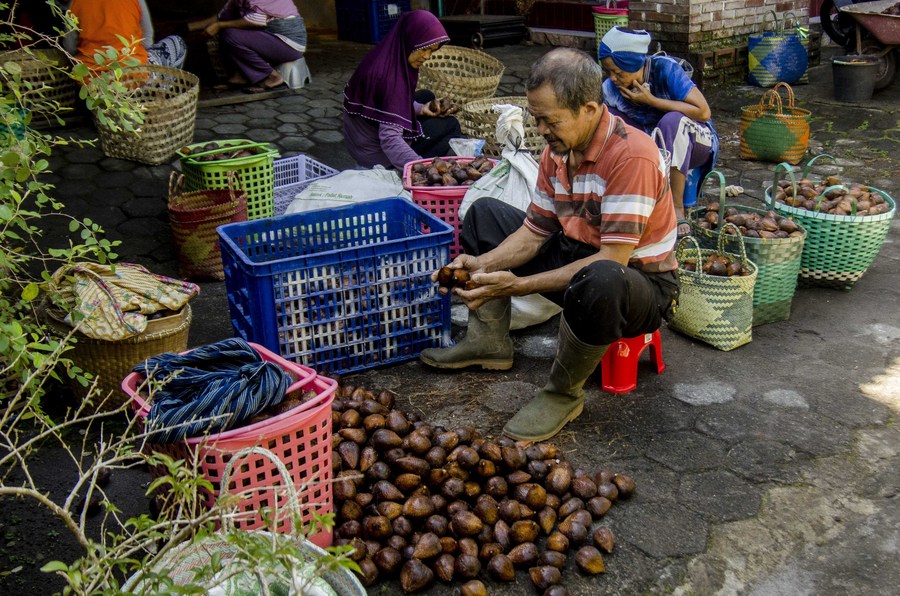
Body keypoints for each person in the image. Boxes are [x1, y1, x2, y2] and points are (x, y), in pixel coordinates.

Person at [418, 47, 679, 442]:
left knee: (602, 277)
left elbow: (613, 257)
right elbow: (534, 231)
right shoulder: (558, 151)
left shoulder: (632, 156)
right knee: (485, 212)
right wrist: (482, 266)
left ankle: (563, 393)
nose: (539, 129)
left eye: (548, 120)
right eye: (536, 118)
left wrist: (516, 285)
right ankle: (488, 343)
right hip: (581, 258)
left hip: (638, 285)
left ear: (589, 109)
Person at [598, 26, 718, 238]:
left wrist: (651, 101)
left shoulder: (665, 69)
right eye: (609, 72)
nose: (614, 78)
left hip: (694, 138)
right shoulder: (610, 89)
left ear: (635, 64)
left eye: (619, 72)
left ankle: (676, 206)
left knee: (671, 122)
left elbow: (703, 111)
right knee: (610, 120)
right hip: (652, 144)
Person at [342, 10, 463, 170]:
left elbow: (384, 103)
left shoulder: (385, 55)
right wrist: (424, 169)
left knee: (426, 96)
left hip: (360, 143)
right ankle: (396, 169)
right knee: (450, 125)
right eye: (424, 49)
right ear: (409, 40)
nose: (427, 56)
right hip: (375, 155)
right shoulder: (391, 80)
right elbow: (390, 139)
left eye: (432, 51)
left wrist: (422, 109)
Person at [189, 0, 306, 93]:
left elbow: (256, 21)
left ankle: (273, 76)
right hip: (273, 38)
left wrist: (219, 25)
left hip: (289, 44)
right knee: (228, 26)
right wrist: (188, 27)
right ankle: (242, 75)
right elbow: (222, 16)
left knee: (231, 34)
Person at [63, 0, 187, 73]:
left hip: (92, 79)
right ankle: (162, 96)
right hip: (133, 76)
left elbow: (69, 48)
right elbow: (147, 41)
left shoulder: (75, 2)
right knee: (178, 42)